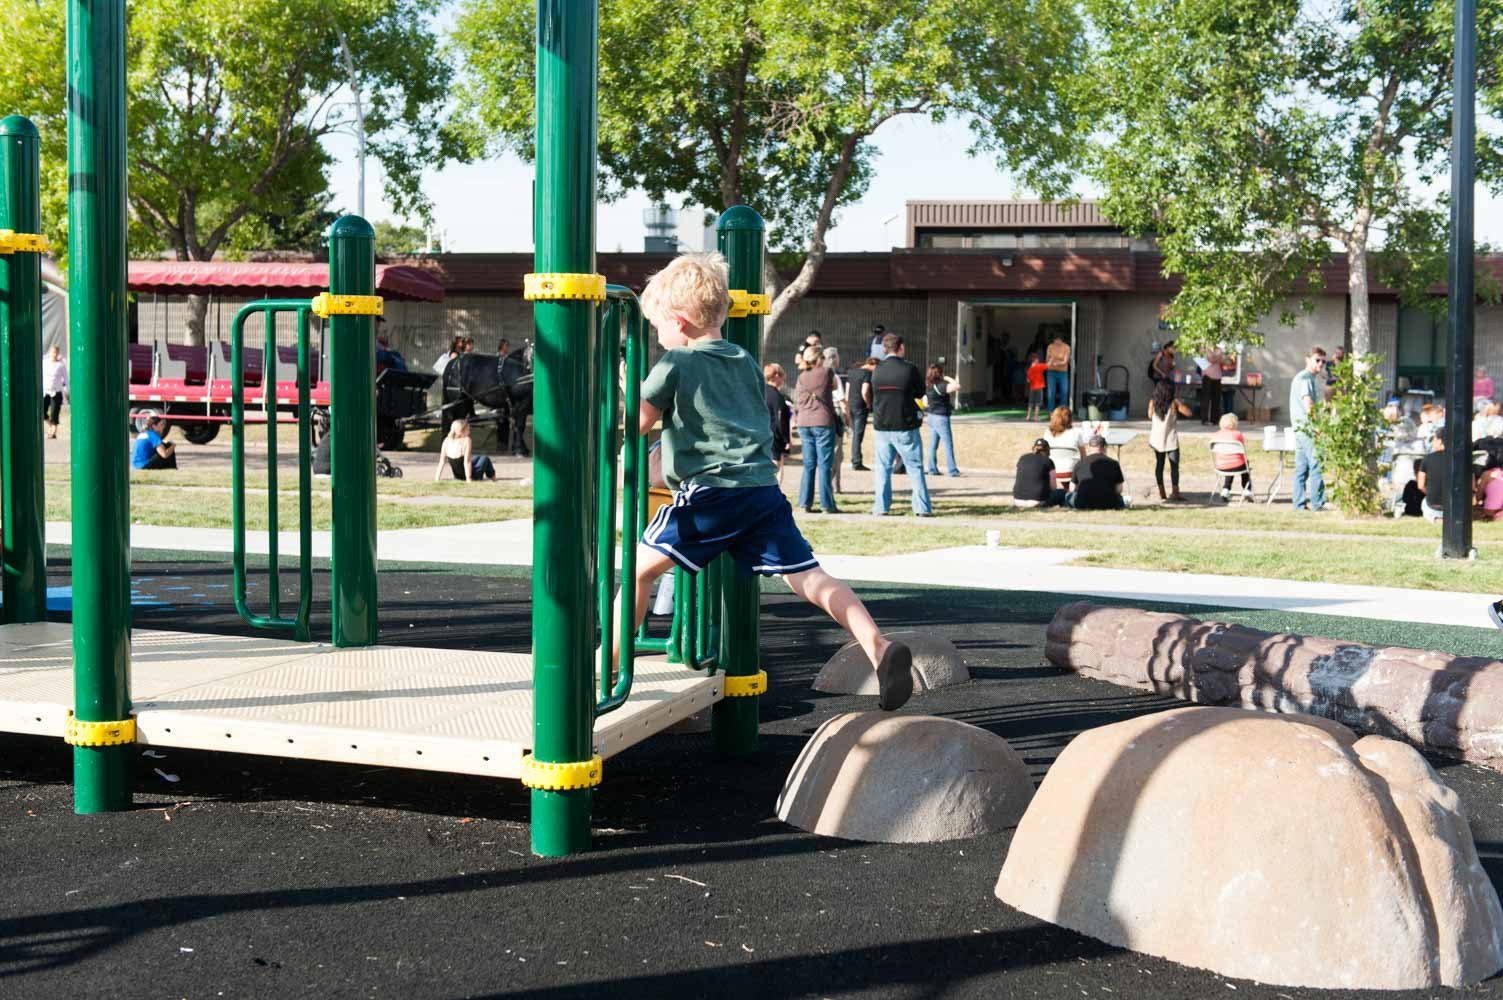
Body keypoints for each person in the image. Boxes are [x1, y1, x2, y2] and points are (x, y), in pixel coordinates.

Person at [619, 251, 915, 709]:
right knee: (809, 577)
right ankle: (877, 645)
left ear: (679, 322)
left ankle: (607, 665)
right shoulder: (743, 360)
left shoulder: (674, 363)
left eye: (658, 326)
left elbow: (637, 423)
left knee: (639, 570)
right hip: (761, 492)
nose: (657, 335)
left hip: (711, 493)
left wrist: (621, 391)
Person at [869, 333, 932, 516]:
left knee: (883, 468)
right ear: (901, 347)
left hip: (882, 425)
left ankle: (881, 507)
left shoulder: (877, 370)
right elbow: (920, 392)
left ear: (884, 349)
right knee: (915, 468)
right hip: (905, 425)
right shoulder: (909, 369)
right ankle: (921, 508)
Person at [794, 345, 840, 514]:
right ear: (819, 358)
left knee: (809, 464)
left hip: (804, 422)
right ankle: (827, 504)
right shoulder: (827, 372)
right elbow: (835, 387)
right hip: (822, 421)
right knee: (824, 465)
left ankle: (804, 502)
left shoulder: (801, 376)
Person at [1290, 346, 1328, 512]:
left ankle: (1298, 504)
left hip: (1300, 429)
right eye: (1317, 360)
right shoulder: (1305, 378)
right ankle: (1317, 503)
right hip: (1308, 429)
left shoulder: (1306, 377)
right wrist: (1318, 427)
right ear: (1308, 359)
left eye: (1323, 361)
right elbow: (1309, 406)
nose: (1320, 364)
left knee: (1302, 468)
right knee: (1316, 464)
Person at [1148, 378, 1192, 502]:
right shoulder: (1174, 403)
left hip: (1156, 439)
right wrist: (1181, 404)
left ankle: (1162, 492)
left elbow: (1149, 415)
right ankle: (1175, 492)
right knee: (1174, 466)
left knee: (1159, 464)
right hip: (1170, 439)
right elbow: (1189, 413)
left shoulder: (1152, 402)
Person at [1068, 435, 1128, 510]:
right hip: (1109, 503)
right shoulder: (1114, 463)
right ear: (1104, 447)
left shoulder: (1079, 463)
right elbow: (1119, 489)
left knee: (1068, 496)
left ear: (1089, 447)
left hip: (1083, 503)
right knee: (1122, 498)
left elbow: (1072, 488)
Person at [923, 363, 961, 477]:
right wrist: (947, 377)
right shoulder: (941, 386)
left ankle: (932, 469)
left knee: (933, 444)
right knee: (948, 444)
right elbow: (957, 386)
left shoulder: (928, 386)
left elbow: (925, 403)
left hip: (931, 416)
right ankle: (952, 470)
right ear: (940, 373)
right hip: (941, 417)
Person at [434, 417, 496, 482]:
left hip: (457, 476)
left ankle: (492, 477)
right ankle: (494, 478)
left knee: (478, 457)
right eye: (468, 430)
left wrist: (437, 478)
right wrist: (468, 479)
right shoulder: (466, 440)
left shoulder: (446, 441)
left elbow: (442, 462)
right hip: (473, 475)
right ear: (461, 431)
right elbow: (467, 462)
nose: (469, 432)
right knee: (485, 458)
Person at [1210, 412, 1255, 501]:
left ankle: (1226, 489)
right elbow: (1242, 448)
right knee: (1244, 463)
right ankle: (1247, 489)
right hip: (1237, 465)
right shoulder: (1238, 434)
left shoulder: (1216, 435)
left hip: (1221, 466)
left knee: (1229, 463)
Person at [822, 347, 848, 494]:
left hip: (821, 415)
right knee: (837, 453)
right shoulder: (834, 377)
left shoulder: (818, 374)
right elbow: (842, 401)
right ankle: (833, 485)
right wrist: (848, 419)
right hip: (835, 415)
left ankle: (832, 485)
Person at [1014, 437, 1065, 508]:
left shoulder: (1022, 458)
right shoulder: (1048, 461)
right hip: (1037, 502)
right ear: (1047, 450)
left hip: (1018, 501)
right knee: (1063, 493)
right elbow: (1053, 487)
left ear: (1033, 448)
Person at [1044, 406, 1086, 488]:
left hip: (1052, 471)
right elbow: (1083, 456)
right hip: (1070, 473)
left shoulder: (1047, 433)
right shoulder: (1076, 432)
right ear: (1070, 419)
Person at [846, 356, 877, 471]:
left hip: (851, 405)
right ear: (872, 364)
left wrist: (847, 405)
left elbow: (847, 391)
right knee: (858, 435)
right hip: (860, 407)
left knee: (855, 434)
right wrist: (868, 403)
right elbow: (865, 391)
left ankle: (855, 459)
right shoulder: (867, 374)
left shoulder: (851, 372)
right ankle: (857, 461)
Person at [763, 363, 792, 481]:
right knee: (777, 468)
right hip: (774, 436)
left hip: (763, 434)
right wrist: (786, 439)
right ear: (776, 376)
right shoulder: (777, 396)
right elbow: (781, 421)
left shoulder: (762, 391)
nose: (784, 378)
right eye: (782, 375)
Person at [1416, 432, 1448, 522]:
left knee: (1424, 502)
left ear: (1440, 441)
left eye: (1434, 440)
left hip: (1433, 506)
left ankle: (1435, 519)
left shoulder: (1427, 459)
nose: (1432, 443)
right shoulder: (1459, 460)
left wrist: (1430, 493)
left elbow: (1420, 486)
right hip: (1454, 506)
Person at [41, 343, 66, 439]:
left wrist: (67, 389)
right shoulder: (45, 363)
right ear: (50, 353)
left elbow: (65, 378)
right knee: (42, 411)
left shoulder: (60, 365)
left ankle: (53, 432)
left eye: (56, 352)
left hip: (56, 391)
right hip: (46, 391)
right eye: (53, 352)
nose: (54, 354)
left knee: (54, 412)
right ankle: (51, 425)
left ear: (58, 353)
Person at [1200, 345, 1227, 425]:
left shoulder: (1219, 349)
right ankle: (1205, 419)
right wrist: (1216, 358)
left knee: (1216, 399)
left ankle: (1214, 419)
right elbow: (1211, 359)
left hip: (1217, 376)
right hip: (1207, 375)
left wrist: (1215, 358)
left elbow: (1223, 360)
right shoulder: (1205, 347)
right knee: (1206, 399)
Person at [1045, 333, 1071, 411]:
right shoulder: (1050, 346)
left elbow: (1065, 361)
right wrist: (1050, 362)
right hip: (1051, 372)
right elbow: (1047, 359)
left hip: (1063, 372)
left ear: (1061, 340)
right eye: (1055, 340)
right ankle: (1051, 412)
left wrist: (1056, 363)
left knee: (1064, 391)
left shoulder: (1066, 347)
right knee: (1051, 392)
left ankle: (1063, 411)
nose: (1056, 342)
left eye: (1058, 340)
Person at [1025, 351, 1047, 421]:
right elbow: (1048, 365)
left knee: (1030, 402)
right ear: (1036, 360)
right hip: (1039, 387)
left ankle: (1028, 416)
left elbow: (1028, 380)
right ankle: (1036, 417)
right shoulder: (1039, 366)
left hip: (1032, 387)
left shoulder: (1029, 369)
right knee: (1038, 403)